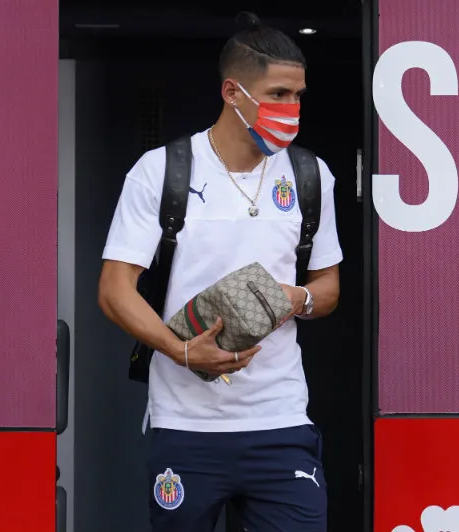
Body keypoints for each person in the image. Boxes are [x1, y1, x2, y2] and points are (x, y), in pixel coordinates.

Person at [98, 11, 342, 532]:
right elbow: (115, 289)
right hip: (186, 428)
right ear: (233, 92)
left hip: (281, 424)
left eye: (298, 96)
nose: (292, 109)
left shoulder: (310, 175)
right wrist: (182, 350)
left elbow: (329, 288)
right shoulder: (161, 170)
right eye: (278, 94)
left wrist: (294, 299)